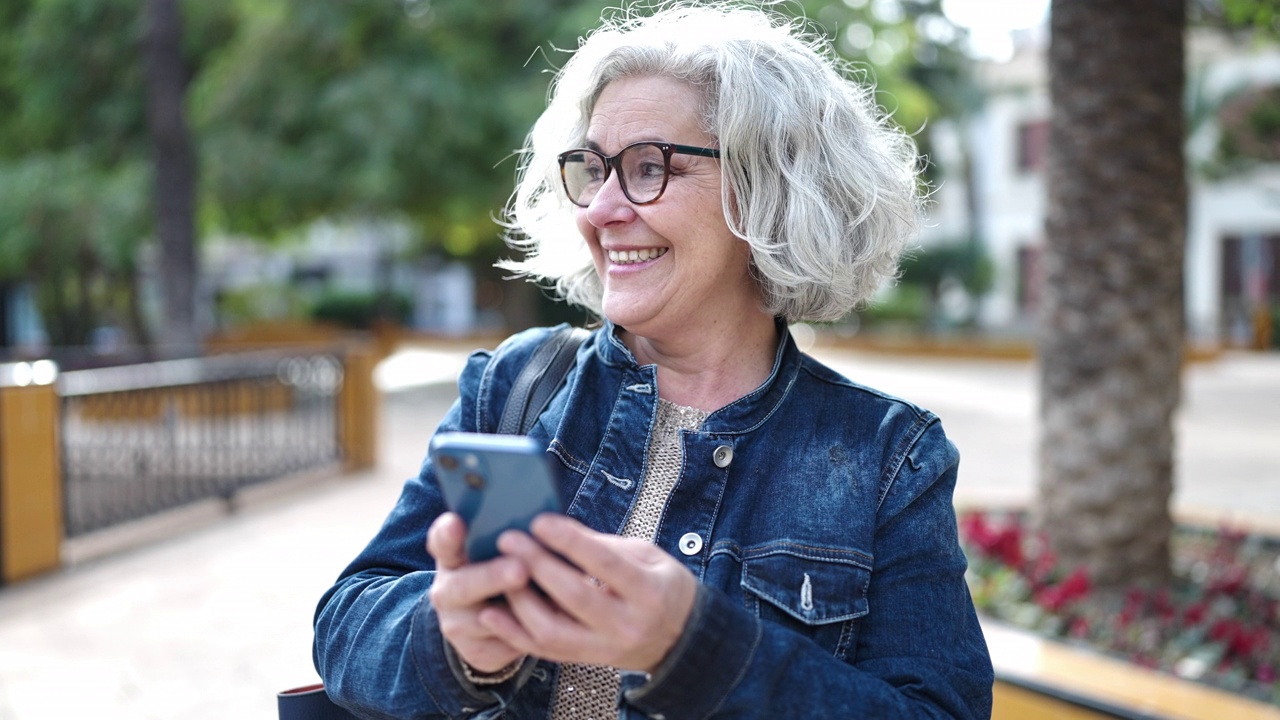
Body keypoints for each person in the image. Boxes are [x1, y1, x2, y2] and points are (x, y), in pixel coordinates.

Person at [313, 3, 994, 718]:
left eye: (647, 167)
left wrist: (701, 649)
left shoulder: (886, 456)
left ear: (770, 190)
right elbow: (346, 626)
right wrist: (451, 639)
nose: (601, 208)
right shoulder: (515, 387)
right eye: (593, 168)